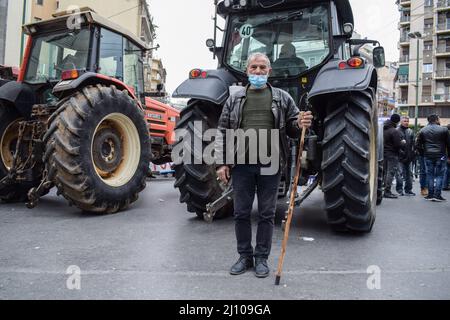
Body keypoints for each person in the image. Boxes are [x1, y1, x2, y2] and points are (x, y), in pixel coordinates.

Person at [215, 53, 313, 278]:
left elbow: (292, 127)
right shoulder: (235, 99)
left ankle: (261, 259)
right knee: (241, 213)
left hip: (271, 164)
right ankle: (244, 256)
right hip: (241, 165)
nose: (258, 72)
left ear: (269, 71)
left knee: (267, 214)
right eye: (254, 67)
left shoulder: (282, 97)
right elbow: (222, 131)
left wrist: (299, 123)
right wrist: (222, 163)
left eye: (262, 68)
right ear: (247, 70)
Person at [415, 114, 450, 202]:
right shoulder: (444, 130)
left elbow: (417, 144)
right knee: (439, 175)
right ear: (437, 120)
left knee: (429, 175)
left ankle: (430, 194)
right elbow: (449, 144)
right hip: (441, 155)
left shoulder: (423, 130)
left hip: (428, 156)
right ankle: (437, 195)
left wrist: (424, 153)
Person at [383, 114, 405, 199]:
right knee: (390, 173)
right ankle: (387, 191)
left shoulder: (384, 129)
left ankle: (384, 190)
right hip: (392, 154)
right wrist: (402, 142)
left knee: (385, 172)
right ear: (398, 121)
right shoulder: (394, 131)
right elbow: (397, 145)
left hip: (384, 153)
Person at [395, 116, 416, 196]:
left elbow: (413, 144)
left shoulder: (410, 131)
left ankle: (408, 190)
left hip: (409, 156)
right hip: (399, 156)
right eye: (404, 121)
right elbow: (395, 144)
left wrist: (413, 153)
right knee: (399, 174)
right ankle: (399, 190)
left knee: (409, 174)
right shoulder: (396, 131)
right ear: (401, 121)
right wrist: (400, 152)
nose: (406, 122)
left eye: (407, 121)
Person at [443, 124, 450, 191]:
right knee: (447, 170)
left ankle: (445, 185)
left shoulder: (444, 135)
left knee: (446, 170)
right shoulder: (448, 136)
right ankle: (445, 185)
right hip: (447, 155)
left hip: (444, 155)